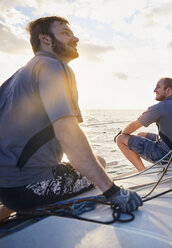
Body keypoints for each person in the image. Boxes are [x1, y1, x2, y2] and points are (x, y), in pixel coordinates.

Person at [0, 16, 142, 220]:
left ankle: (6, 210)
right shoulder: (53, 66)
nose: (75, 38)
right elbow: (68, 132)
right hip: (30, 189)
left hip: (6, 188)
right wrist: (113, 192)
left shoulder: (16, 78)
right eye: (66, 33)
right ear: (45, 39)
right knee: (100, 162)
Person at [116, 77, 172, 172]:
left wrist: (121, 133)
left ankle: (142, 172)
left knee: (120, 139)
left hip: (165, 155)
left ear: (168, 90)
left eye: (158, 87)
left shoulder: (160, 107)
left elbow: (133, 127)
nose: (154, 90)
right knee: (140, 135)